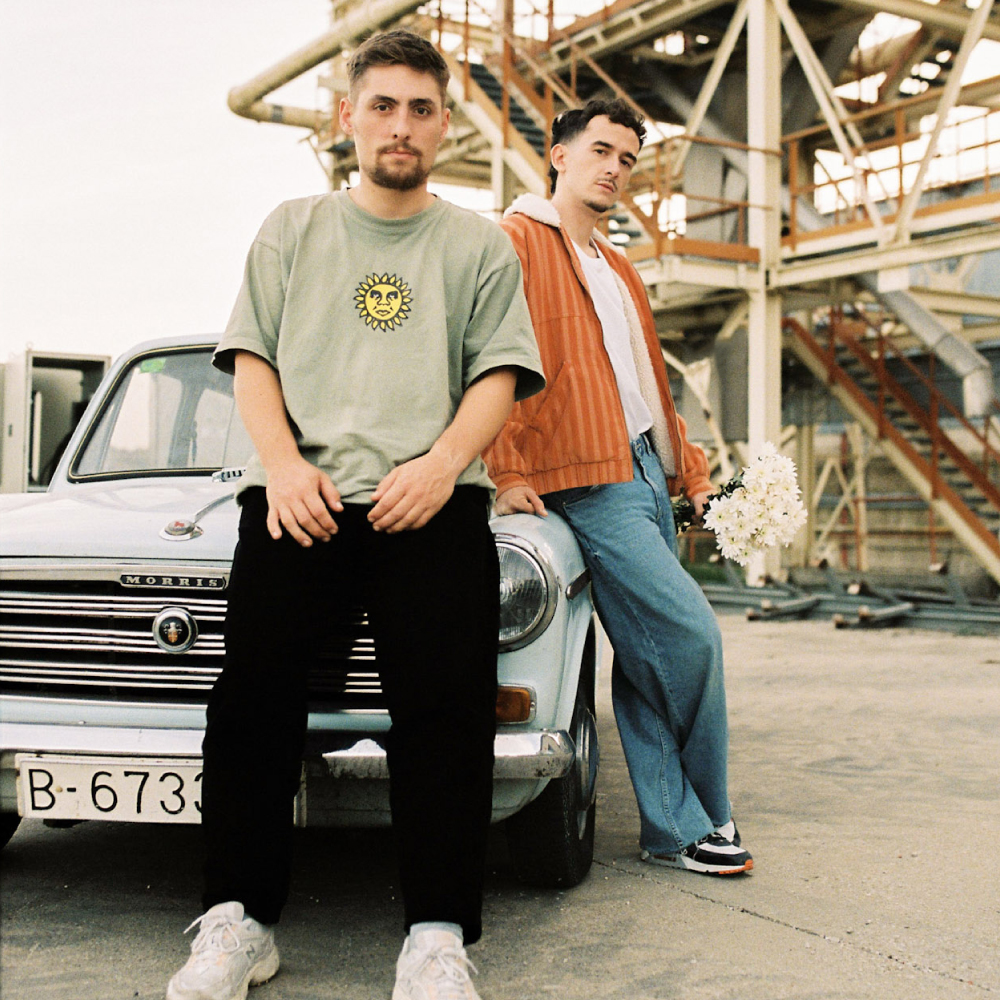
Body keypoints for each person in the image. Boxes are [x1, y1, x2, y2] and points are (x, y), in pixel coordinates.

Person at [166, 29, 544, 1000]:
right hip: (303, 500)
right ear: (348, 117)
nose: (400, 125)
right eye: (382, 105)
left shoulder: (479, 245)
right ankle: (239, 921)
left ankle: (436, 936)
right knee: (251, 704)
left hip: (432, 502)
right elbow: (254, 360)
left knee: (444, 712)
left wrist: (444, 463)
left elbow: (499, 373)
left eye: (421, 108)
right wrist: (283, 466)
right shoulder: (293, 228)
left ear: (445, 125)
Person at [483, 98, 752, 877]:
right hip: (586, 480)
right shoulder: (516, 241)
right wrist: (506, 468)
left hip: (641, 468)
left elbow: (647, 385)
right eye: (600, 150)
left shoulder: (618, 265)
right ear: (559, 155)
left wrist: (687, 471)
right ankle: (702, 815)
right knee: (691, 636)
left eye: (628, 159)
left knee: (643, 658)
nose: (614, 169)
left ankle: (673, 826)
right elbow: (485, 356)